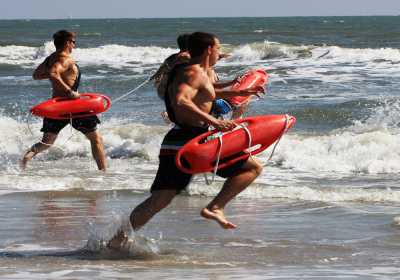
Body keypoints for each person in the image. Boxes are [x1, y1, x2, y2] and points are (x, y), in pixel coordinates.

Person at [107, 32, 264, 249]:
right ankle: (215, 207)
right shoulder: (192, 72)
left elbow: (207, 93)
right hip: (191, 141)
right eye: (218, 47)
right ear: (209, 49)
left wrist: (240, 91)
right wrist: (214, 122)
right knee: (252, 168)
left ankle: (117, 240)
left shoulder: (193, 71)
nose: (220, 51)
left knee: (161, 199)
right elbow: (182, 100)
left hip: (178, 140)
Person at [21, 30, 106, 171]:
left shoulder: (50, 58)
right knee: (96, 139)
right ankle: (104, 173)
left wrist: (56, 77)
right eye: (73, 42)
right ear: (67, 43)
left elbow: (36, 75)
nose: (74, 45)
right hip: (75, 107)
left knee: (46, 142)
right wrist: (69, 92)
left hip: (56, 107)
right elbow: (54, 73)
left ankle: (24, 160)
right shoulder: (65, 59)